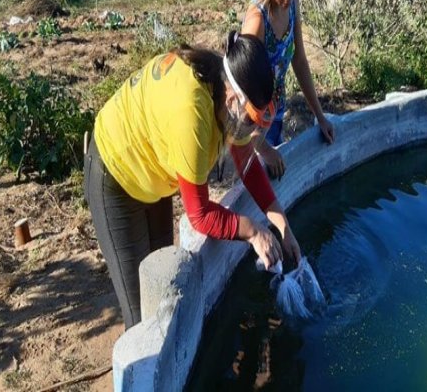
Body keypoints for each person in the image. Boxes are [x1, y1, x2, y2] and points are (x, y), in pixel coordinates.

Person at [84, 31, 301, 329]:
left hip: (153, 175)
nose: (251, 131)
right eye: (251, 120)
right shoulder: (193, 113)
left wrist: (283, 227)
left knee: (162, 290)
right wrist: (253, 231)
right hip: (116, 173)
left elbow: (248, 166)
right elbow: (199, 215)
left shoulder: (225, 87)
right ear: (232, 98)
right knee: (142, 321)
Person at [242, 0, 335, 180]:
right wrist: (262, 147)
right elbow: (240, 99)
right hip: (252, 129)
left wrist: (320, 116)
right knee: (261, 198)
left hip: (276, 116)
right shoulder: (256, 21)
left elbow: (300, 60)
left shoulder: (292, 5)